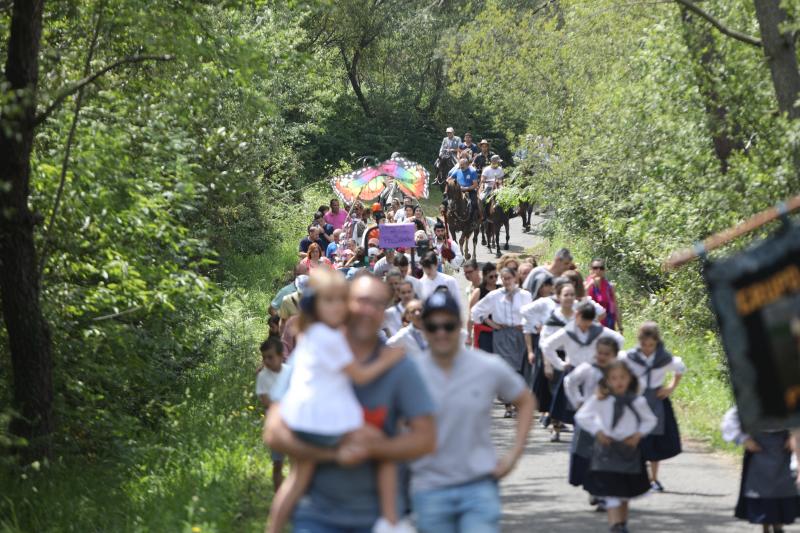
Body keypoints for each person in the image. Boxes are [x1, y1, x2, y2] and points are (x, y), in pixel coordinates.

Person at [263, 273, 436, 532]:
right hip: (317, 516)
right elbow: (274, 432)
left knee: (378, 445)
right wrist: (333, 454)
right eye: (362, 301)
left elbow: (426, 438)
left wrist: (376, 448)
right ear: (346, 304)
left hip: (375, 518)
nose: (369, 310)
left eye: (379, 304)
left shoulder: (402, 368)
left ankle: (392, 521)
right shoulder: (312, 354)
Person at [410, 289, 535, 533]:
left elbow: (526, 400)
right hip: (429, 488)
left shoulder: (486, 366)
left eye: (448, 325)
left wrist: (514, 454)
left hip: (478, 486)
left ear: (459, 326)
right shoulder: (410, 373)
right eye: (433, 326)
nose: (441, 333)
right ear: (423, 329)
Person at [574, 361, 657, 533]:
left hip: (629, 451)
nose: (618, 382)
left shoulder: (637, 401)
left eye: (622, 378)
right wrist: (597, 431)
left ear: (629, 379)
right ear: (607, 381)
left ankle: (622, 523)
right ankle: (615, 525)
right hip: (606, 450)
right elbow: (582, 416)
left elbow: (650, 420)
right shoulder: (600, 400)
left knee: (624, 493)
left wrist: (638, 435)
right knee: (611, 490)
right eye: (613, 378)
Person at [540, 302, 624, 439]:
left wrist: (608, 361)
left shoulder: (599, 331)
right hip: (572, 370)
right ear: (577, 316)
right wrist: (560, 364)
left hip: (592, 372)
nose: (585, 326)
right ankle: (556, 430)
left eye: (589, 322)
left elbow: (619, 340)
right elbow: (547, 345)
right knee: (562, 405)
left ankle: (586, 433)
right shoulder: (568, 332)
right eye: (583, 321)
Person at [619, 322, 685, 492]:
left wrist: (670, 387)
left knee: (654, 440)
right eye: (644, 344)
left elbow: (679, 368)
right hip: (636, 400)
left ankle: (653, 479)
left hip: (656, 401)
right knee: (634, 439)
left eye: (651, 345)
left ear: (657, 342)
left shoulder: (663, 358)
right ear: (639, 342)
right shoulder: (629, 357)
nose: (647, 348)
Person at [722, 406, 800, 532]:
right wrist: (744, 439)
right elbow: (731, 418)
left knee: (781, 489)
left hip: (782, 447)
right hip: (758, 446)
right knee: (761, 491)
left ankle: (778, 527)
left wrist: (794, 436)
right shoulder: (753, 395)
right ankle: (765, 527)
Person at [564, 337, 620, 506]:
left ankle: (603, 490)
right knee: (588, 456)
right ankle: (594, 490)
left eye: (607, 354)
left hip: (610, 419)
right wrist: (578, 402)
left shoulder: (619, 371)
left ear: (615, 355)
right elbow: (570, 382)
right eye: (600, 353)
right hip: (590, 420)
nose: (602, 357)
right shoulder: (588, 369)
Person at [471, 267, 533, 418]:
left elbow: (531, 313)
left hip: (520, 334)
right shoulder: (495, 295)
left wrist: (525, 324)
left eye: (509, 278)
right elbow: (476, 311)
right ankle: (508, 406)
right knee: (507, 369)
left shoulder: (524, 295)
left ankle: (518, 402)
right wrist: (492, 324)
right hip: (502, 335)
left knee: (520, 368)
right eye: (504, 278)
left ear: (515, 278)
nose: (506, 281)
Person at [256, 336, 287, 491]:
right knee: (277, 462)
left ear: (281, 356)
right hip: (276, 426)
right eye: (264, 358)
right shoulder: (262, 376)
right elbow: (264, 399)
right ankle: (278, 495)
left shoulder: (290, 372)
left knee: (299, 461)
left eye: (270, 357)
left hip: (293, 424)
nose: (267, 361)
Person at [585, 258, 623, 333]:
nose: (598, 270)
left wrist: (620, 328)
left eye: (601, 268)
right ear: (590, 270)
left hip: (608, 326)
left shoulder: (609, 287)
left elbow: (615, 307)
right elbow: (581, 298)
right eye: (595, 268)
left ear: (604, 271)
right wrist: (591, 283)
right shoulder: (585, 285)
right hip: (591, 326)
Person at [470, 262, 499, 352]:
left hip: (500, 332)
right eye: (491, 277)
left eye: (496, 276)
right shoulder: (479, 291)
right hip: (485, 332)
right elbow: (472, 313)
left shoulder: (501, 289)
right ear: (485, 276)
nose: (494, 279)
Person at [462, 259, 481, 346]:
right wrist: (469, 335)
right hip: (474, 329)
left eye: (470, 272)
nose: (467, 275)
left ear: (477, 270)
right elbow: (471, 313)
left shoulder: (487, 286)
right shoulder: (468, 289)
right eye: (465, 273)